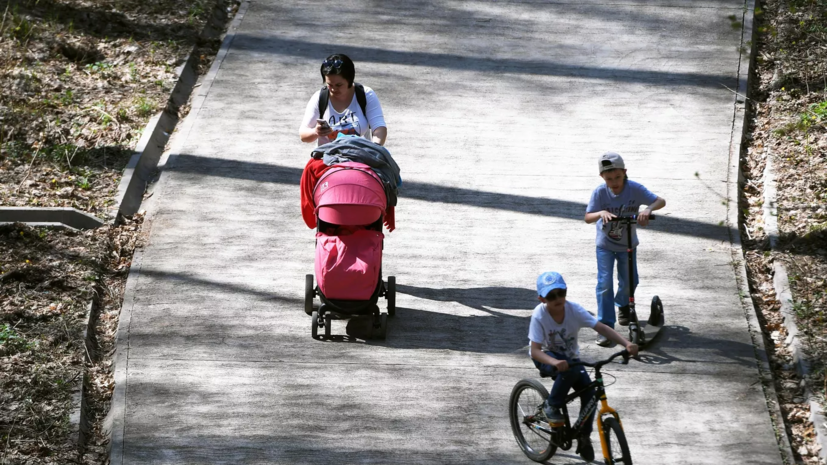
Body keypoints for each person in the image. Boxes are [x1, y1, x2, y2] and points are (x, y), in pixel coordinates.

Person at [529, 271, 638, 463]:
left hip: (571, 359)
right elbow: (535, 351)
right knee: (568, 369)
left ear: (566, 292)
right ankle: (551, 405)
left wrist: (626, 343)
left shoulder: (574, 310)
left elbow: (601, 328)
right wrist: (554, 362)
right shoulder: (539, 315)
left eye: (560, 293)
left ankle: (583, 436)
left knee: (590, 393)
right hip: (546, 357)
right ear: (541, 298)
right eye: (551, 296)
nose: (557, 299)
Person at [584, 152, 666, 347]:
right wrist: (600, 213)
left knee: (630, 280)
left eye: (618, 177)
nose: (614, 182)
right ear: (602, 177)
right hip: (604, 245)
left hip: (628, 244)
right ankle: (606, 325)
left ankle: (622, 304)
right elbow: (588, 217)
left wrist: (647, 210)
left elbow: (660, 201)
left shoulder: (635, 189)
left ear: (625, 173)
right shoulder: (600, 193)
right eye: (609, 178)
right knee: (604, 284)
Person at [299, 54, 387, 146]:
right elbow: (303, 135)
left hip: (360, 155)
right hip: (327, 156)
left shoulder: (365, 94)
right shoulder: (320, 97)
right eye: (329, 84)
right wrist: (315, 132)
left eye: (338, 85)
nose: (333, 89)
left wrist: (376, 148)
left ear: (350, 80)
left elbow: (379, 127)